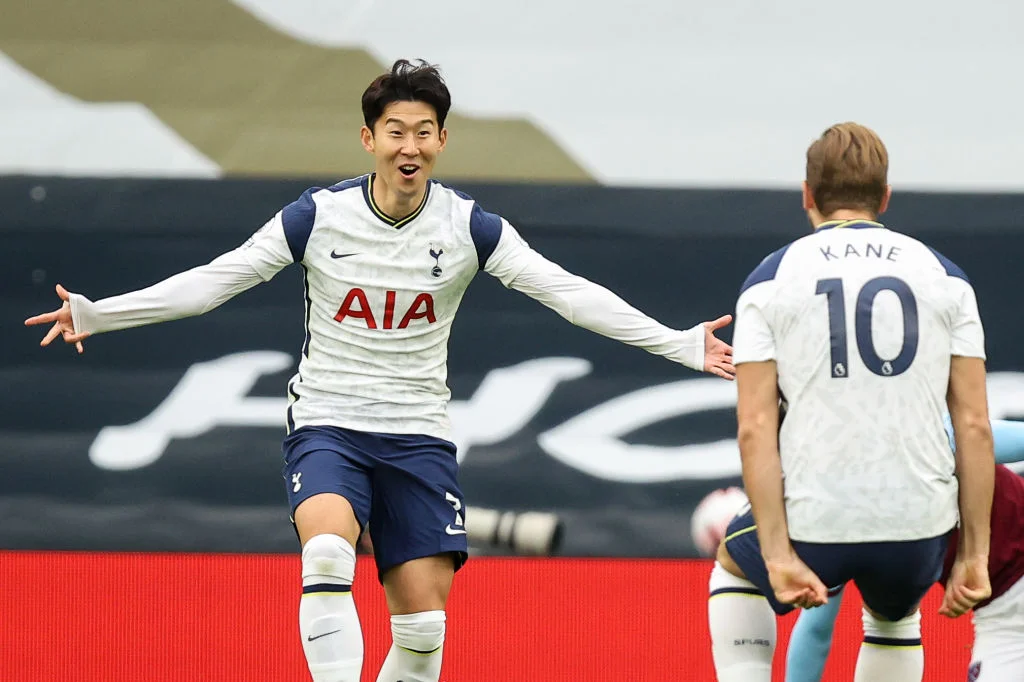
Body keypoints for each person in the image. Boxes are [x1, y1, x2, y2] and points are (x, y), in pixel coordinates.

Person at [24, 59, 735, 682]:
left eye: (424, 132)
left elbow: (568, 294)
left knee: (423, 635)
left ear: (442, 141)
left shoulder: (470, 228)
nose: (409, 146)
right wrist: (99, 314)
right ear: (369, 139)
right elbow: (215, 282)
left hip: (418, 436)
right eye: (395, 131)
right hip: (328, 425)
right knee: (328, 555)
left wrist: (678, 343)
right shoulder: (317, 217)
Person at [707, 121, 995, 682]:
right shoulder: (946, 277)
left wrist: (778, 554)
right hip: (917, 524)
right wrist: (974, 555)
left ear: (807, 195)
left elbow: (755, 426)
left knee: (733, 568)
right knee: (895, 615)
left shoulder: (770, 279)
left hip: (818, 519)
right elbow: (975, 425)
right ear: (884, 197)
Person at [785, 422, 1024, 682]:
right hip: (999, 618)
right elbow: (816, 629)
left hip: (1005, 600)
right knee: (890, 616)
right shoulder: (837, 517)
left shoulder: (930, 435)